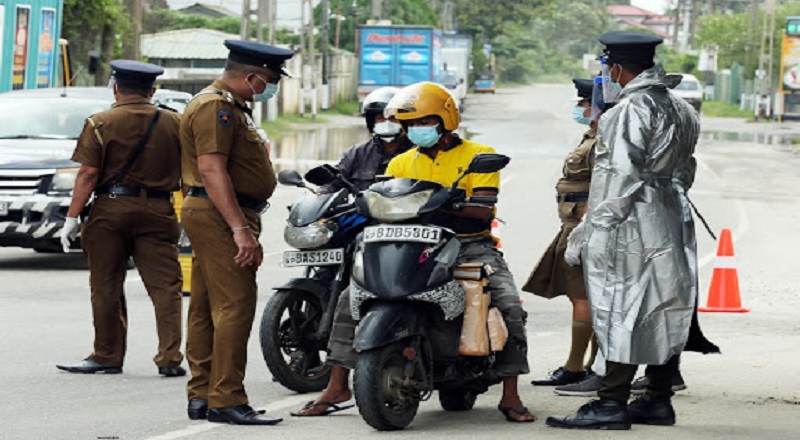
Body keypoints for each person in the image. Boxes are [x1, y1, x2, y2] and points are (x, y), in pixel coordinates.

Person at [293, 82, 536, 423]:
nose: (416, 130)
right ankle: (337, 385)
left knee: (508, 305)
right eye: (411, 125)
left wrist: (450, 204)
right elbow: (383, 203)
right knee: (351, 298)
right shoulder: (401, 163)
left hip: (468, 244)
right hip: (408, 242)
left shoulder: (478, 155)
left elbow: (482, 210)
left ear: (445, 120)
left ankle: (511, 395)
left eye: (424, 122)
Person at [545, 31, 703, 430]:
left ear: (615, 67)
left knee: (620, 305)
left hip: (629, 220)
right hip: (670, 213)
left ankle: (611, 402)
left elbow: (617, 178)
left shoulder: (626, 111)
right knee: (667, 304)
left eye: (606, 69)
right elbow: (687, 171)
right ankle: (657, 399)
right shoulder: (683, 110)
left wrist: (589, 232)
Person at [180, 39, 293, 425]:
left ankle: (202, 395)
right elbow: (212, 170)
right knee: (235, 305)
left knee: (206, 306)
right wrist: (240, 229)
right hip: (219, 213)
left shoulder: (228, 106)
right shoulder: (217, 108)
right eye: (272, 79)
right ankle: (226, 397)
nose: (273, 87)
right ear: (252, 77)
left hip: (213, 212)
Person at [56, 60, 185, 378]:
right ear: (152, 91)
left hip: (110, 209)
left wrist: (71, 217)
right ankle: (169, 358)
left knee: (106, 284)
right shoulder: (175, 123)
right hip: (158, 209)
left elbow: (88, 173)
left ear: (115, 88)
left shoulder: (100, 122)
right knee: (166, 286)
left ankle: (107, 356)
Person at [525, 78, 598, 388]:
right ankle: (585, 365)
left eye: (584, 103)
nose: (579, 108)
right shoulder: (592, 135)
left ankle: (578, 367)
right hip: (573, 223)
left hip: (583, 226)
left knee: (584, 297)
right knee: (580, 296)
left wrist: (586, 225)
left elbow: (604, 184)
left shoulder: (604, 139)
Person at [319, 86, 413, 194]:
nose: (387, 123)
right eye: (380, 118)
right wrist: (321, 193)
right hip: (363, 209)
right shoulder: (356, 153)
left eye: (393, 118)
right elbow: (336, 180)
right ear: (371, 122)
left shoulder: (418, 152)